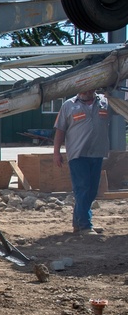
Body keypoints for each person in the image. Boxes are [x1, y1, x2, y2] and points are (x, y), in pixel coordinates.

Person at [52, 88, 110, 234]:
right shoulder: (69, 105)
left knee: (91, 190)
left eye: (90, 87)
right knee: (82, 188)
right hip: (78, 154)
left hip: (97, 153)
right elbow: (60, 130)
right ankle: (85, 225)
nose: (87, 91)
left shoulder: (104, 102)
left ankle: (78, 223)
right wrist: (56, 152)